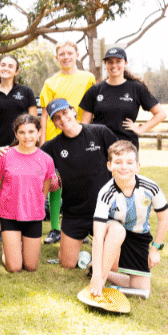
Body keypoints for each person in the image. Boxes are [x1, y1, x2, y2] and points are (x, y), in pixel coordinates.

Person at [41, 98, 118, 269]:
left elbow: (121, 156)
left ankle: (106, 249)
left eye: (65, 113)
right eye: (57, 117)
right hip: (74, 213)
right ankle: (80, 254)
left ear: (74, 111)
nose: (63, 119)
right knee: (67, 264)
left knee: (114, 266)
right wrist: (4, 151)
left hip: (106, 210)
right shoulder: (52, 147)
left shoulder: (100, 132)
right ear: (54, 122)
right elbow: (29, 156)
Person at [89, 141, 168, 297]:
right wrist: (99, 276)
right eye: (118, 162)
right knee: (118, 230)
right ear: (109, 165)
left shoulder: (150, 187)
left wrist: (155, 249)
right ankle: (100, 281)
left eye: (129, 162)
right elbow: (98, 236)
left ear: (137, 166)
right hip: (112, 233)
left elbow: (164, 219)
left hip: (138, 236)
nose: (124, 166)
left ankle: (95, 269)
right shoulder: (106, 192)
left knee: (142, 291)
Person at [39, 41, 95, 244]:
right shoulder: (51, 82)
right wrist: (42, 142)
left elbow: (90, 108)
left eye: (69, 53)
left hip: (80, 136)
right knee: (55, 183)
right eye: (61, 54)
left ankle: (82, 226)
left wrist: (85, 132)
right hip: (56, 139)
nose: (66, 57)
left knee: (79, 182)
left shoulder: (88, 78)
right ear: (57, 58)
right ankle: (55, 228)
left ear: (77, 55)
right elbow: (44, 116)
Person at [0, 115, 56, 272]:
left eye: (31, 131)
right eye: (22, 132)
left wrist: (37, 206)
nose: (27, 136)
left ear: (39, 133)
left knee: (30, 266)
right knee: (14, 268)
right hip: (9, 215)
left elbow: (45, 189)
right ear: (16, 134)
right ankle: (7, 249)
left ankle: (14, 246)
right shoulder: (5, 156)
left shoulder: (46, 159)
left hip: (33, 216)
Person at [0, 55, 37, 241]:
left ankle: (22, 224)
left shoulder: (26, 91)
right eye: (3, 64)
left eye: (10, 66)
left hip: (22, 149)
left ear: (16, 71)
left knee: (19, 188)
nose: (6, 68)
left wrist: (30, 145)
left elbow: (33, 121)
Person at [80, 47, 166, 149]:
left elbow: (161, 114)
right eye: (110, 62)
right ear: (105, 64)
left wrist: (141, 129)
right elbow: (85, 125)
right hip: (99, 147)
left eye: (118, 61)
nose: (114, 65)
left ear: (125, 63)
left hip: (126, 148)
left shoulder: (136, 88)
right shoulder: (95, 90)